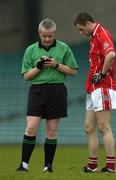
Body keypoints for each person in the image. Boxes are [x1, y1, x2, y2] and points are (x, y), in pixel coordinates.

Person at [16, 19, 78, 173]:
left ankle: (48, 166)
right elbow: (26, 77)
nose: (48, 39)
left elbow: (73, 71)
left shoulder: (64, 48)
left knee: (51, 130)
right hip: (36, 90)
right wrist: (38, 67)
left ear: (54, 33)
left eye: (50, 36)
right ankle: (24, 165)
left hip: (57, 91)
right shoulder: (30, 50)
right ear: (39, 34)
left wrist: (56, 65)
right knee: (31, 127)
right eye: (45, 36)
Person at [74, 12, 116, 173]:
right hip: (94, 87)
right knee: (88, 127)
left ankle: (111, 166)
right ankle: (92, 165)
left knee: (103, 126)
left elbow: (111, 54)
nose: (81, 33)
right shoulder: (94, 37)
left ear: (87, 23)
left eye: (80, 29)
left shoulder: (101, 33)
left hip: (103, 85)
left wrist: (103, 73)